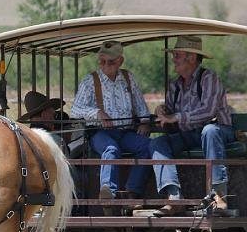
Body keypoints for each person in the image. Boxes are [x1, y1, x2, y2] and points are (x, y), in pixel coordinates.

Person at [150, 36, 234, 216]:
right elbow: (170, 114)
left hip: (219, 131)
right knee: (157, 144)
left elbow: (208, 112)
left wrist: (176, 117)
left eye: (177, 55)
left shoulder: (209, 78)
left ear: (192, 58)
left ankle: (219, 197)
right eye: (173, 55)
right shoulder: (175, 86)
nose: (173, 59)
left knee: (209, 131)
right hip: (190, 135)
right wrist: (161, 111)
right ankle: (174, 198)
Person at [71, 40, 151, 214]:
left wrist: (145, 122)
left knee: (148, 146)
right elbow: (75, 110)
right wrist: (97, 113)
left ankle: (132, 193)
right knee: (111, 149)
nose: (105, 65)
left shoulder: (129, 79)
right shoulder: (90, 81)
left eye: (110, 62)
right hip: (100, 133)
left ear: (120, 61)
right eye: (102, 61)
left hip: (126, 132)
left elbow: (140, 106)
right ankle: (108, 193)